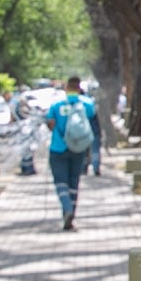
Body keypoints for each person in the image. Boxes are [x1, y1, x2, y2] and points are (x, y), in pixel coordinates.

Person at [44, 75, 97, 230]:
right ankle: (71, 214)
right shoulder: (87, 104)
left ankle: (66, 209)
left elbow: (50, 124)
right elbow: (90, 119)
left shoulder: (56, 105)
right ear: (79, 88)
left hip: (58, 148)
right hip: (78, 148)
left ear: (66, 88)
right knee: (74, 182)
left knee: (61, 181)